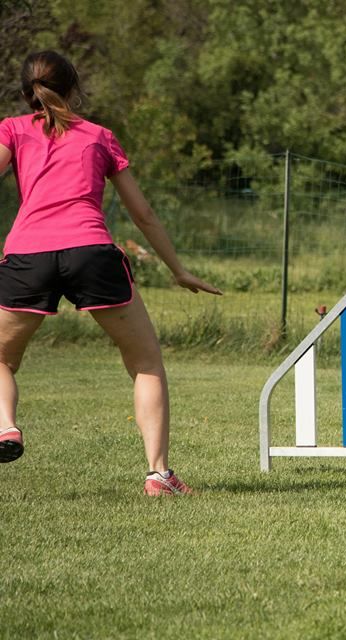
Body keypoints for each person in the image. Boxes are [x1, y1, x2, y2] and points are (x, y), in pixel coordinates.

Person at [0, 51, 222, 495]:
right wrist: (178, 270)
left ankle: (6, 427)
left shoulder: (11, 129)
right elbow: (143, 213)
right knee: (146, 364)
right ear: (73, 87)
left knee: (2, 358)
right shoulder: (99, 136)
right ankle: (159, 474)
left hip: (28, 256)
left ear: (27, 92)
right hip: (92, 252)